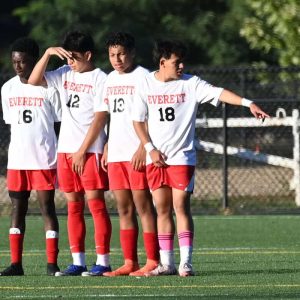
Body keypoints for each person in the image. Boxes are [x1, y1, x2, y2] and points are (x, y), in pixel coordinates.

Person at [132, 39, 270, 277]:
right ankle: (167, 263)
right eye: (177, 62)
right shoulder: (145, 84)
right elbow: (137, 120)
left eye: (183, 61)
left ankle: (186, 262)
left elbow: (219, 92)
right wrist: (149, 148)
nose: (182, 66)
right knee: (161, 209)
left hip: (182, 157)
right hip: (156, 158)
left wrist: (249, 103)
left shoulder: (191, 84)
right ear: (163, 62)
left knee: (180, 207)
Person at [28, 31, 112, 276]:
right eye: (67, 57)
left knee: (96, 206)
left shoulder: (100, 78)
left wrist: (82, 150)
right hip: (65, 150)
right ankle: (78, 261)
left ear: (88, 55)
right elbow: (33, 80)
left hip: (90, 151)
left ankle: (103, 261)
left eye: (74, 57)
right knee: (73, 206)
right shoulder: (64, 73)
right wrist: (47, 53)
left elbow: (100, 117)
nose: (70, 62)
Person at [97, 32, 159, 277]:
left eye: (121, 53)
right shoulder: (109, 79)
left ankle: (153, 260)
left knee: (143, 206)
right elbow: (110, 116)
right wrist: (107, 145)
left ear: (132, 53)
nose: (117, 59)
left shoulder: (144, 77)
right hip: (116, 154)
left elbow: (152, 115)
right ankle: (129, 262)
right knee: (123, 208)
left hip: (137, 153)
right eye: (112, 54)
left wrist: (143, 147)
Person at [0, 37, 61, 276]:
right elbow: (11, 122)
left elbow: (58, 122)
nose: (18, 66)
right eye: (15, 62)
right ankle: (16, 264)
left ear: (34, 61)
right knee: (17, 209)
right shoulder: (7, 88)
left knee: (47, 208)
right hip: (17, 160)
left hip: (44, 158)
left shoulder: (49, 87)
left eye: (23, 62)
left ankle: (51, 264)